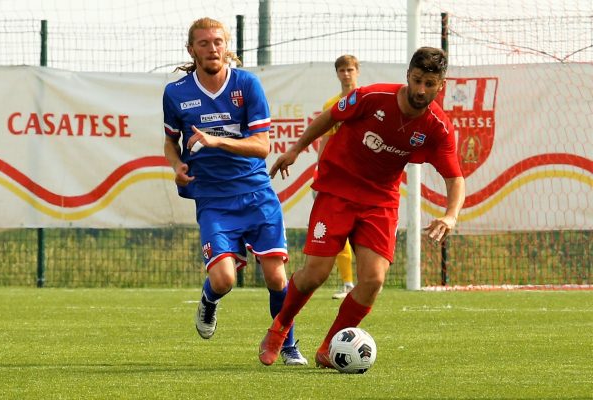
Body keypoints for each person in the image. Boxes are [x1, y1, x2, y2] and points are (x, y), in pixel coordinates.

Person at [258, 47, 465, 368]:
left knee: (373, 280)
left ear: (442, 84)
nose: (422, 90)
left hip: (380, 200)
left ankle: (329, 348)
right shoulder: (372, 96)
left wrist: (451, 215)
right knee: (316, 273)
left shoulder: (438, 126)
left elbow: (455, 178)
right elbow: (328, 117)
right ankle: (279, 328)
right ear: (408, 76)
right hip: (337, 188)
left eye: (430, 83)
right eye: (417, 80)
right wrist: (297, 149)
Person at [162, 17, 307, 366]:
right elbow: (170, 141)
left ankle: (286, 344)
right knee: (224, 279)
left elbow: (262, 147)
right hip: (213, 198)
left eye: (218, 42)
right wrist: (176, 166)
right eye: (204, 43)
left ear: (227, 46)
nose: (212, 48)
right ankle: (209, 301)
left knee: (276, 276)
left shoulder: (247, 85)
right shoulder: (176, 93)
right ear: (191, 50)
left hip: (256, 192)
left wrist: (216, 140)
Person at [317, 55, 360, 299]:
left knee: (363, 230)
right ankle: (348, 283)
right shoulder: (332, 105)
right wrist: (320, 170)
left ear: (357, 71)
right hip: (339, 177)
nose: (346, 74)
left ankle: (369, 279)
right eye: (342, 70)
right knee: (338, 228)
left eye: (350, 69)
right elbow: (325, 138)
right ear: (337, 73)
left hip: (365, 176)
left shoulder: (368, 99)